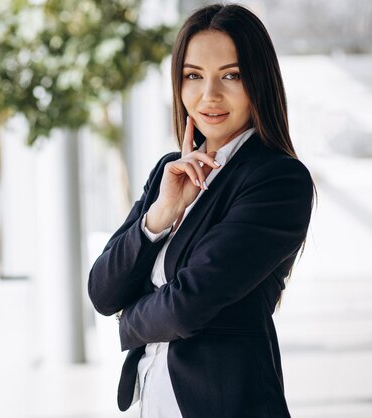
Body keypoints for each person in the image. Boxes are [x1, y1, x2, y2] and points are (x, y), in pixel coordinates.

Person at [88, 3, 315, 418]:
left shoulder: (278, 180)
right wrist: (160, 214)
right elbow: (103, 291)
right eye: (193, 76)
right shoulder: (169, 170)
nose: (209, 95)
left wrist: (128, 321)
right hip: (155, 402)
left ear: (258, 82)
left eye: (231, 75)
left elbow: (187, 305)